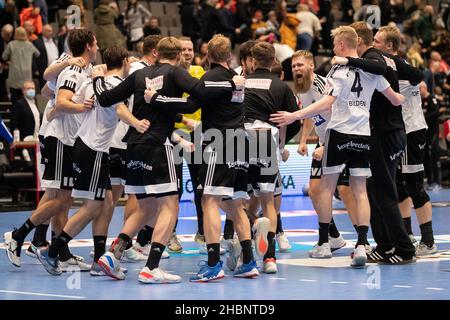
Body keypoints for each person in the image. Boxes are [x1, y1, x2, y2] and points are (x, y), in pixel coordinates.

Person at [93, 36, 244, 283]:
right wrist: (232, 83)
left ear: (155, 53)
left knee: (145, 207)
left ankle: (113, 254)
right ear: (176, 56)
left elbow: (105, 98)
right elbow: (202, 93)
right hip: (157, 145)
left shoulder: (139, 75)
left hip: (133, 146)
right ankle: (151, 267)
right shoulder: (175, 72)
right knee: (170, 205)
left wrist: (97, 78)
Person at [270, 25, 405, 268]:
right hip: (363, 135)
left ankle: (324, 243)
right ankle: (362, 245)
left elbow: (326, 103)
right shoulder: (372, 72)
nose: (332, 48)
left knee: (325, 188)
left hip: (339, 133)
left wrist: (293, 116)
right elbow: (395, 98)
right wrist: (404, 98)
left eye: (334, 44)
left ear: (342, 45)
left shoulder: (338, 70)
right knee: (360, 190)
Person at [3, 29, 97, 271]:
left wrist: (56, 101)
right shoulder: (73, 67)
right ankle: (20, 235)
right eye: (95, 44)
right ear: (88, 46)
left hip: (65, 137)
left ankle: (55, 248)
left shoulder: (83, 70)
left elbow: (47, 91)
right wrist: (77, 107)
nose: (98, 48)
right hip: (59, 137)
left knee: (61, 197)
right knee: (61, 197)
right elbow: (58, 93)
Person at [190, 34, 259, 281]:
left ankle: (212, 264)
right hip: (240, 144)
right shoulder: (236, 78)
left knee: (208, 200)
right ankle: (249, 261)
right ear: (229, 56)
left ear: (208, 56)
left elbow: (191, 102)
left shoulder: (210, 77)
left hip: (219, 142)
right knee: (234, 204)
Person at [372, 25, 437, 257]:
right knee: (398, 185)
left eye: (377, 42)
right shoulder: (390, 65)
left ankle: (428, 241)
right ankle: (407, 234)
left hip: (411, 131)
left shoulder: (399, 66)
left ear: (389, 46)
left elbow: (419, 77)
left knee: (414, 185)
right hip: (398, 132)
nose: (373, 45)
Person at [293, 50, 360, 258]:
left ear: (311, 66)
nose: (296, 69)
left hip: (338, 141)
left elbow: (337, 113)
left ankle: (362, 240)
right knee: (315, 190)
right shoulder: (301, 88)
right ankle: (333, 236)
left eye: (300, 65)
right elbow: (310, 114)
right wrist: (304, 140)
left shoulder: (322, 85)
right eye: (294, 66)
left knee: (345, 191)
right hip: (323, 142)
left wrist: (326, 145)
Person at [243, 41, 300, 273]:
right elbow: (293, 120)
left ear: (253, 61)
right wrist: (281, 144)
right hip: (267, 139)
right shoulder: (281, 86)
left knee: (237, 200)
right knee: (268, 202)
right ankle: (270, 259)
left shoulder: (241, 83)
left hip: (240, 139)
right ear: (274, 62)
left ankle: (247, 252)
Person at [2, 26, 40, 104]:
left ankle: (16, 115)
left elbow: (4, 57)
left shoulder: (11, 44)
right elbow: (38, 54)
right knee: (27, 100)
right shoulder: (29, 44)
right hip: (27, 76)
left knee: (15, 99)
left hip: (14, 76)